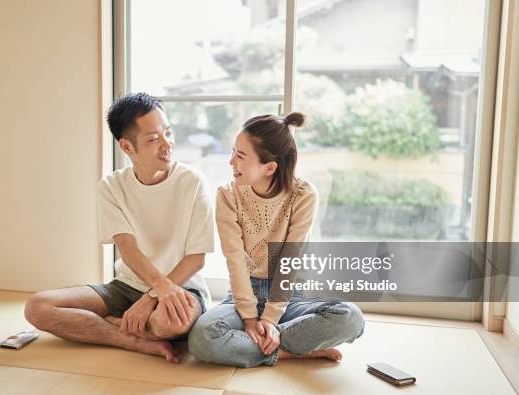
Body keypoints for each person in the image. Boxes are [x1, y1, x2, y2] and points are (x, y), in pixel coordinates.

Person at [24, 93, 214, 363]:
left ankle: (115, 324)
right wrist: (150, 293)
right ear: (127, 147)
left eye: (168, 133)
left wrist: (152, 296)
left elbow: (196, 258)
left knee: (172, 323)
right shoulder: (111, 187)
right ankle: (131, 339)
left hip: (182, 288)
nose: (167, 144)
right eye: (153, 139)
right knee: (37, 307)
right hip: (126, 286)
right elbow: (128, 250)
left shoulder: (193, 182)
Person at [188, 112, 365, 368]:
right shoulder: (227, 195)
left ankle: (266, 342)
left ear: (269, 167)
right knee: (202, 339)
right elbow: (234, 260)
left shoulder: (304, 195)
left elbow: (290, 261)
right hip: (243, 294)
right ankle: (290, 351)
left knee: (350, 318)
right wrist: (249, 319)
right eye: (233, 151)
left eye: (240, 156)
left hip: (291, 296)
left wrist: (270, 320)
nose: (230, 161)